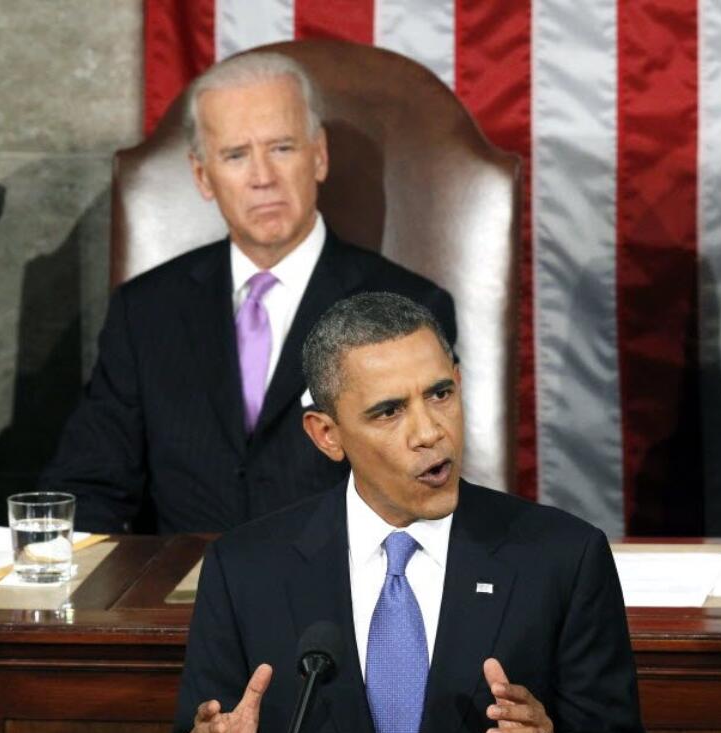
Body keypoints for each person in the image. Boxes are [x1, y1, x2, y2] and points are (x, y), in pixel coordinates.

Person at [149, 292, 659, 733]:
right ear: (327, 434)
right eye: (389, 411)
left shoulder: (560, 558)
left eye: (440, 394)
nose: (429, 431)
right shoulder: (250, 570)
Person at [41, 52, 455, 534]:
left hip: (335, 594)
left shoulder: (409, 308)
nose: (262, 177)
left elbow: (421, 486)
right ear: (202, 176)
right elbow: (92, 485)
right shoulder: (146, 310)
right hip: (182, 598)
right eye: (236, 155)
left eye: (281, 148)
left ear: (318, 156)